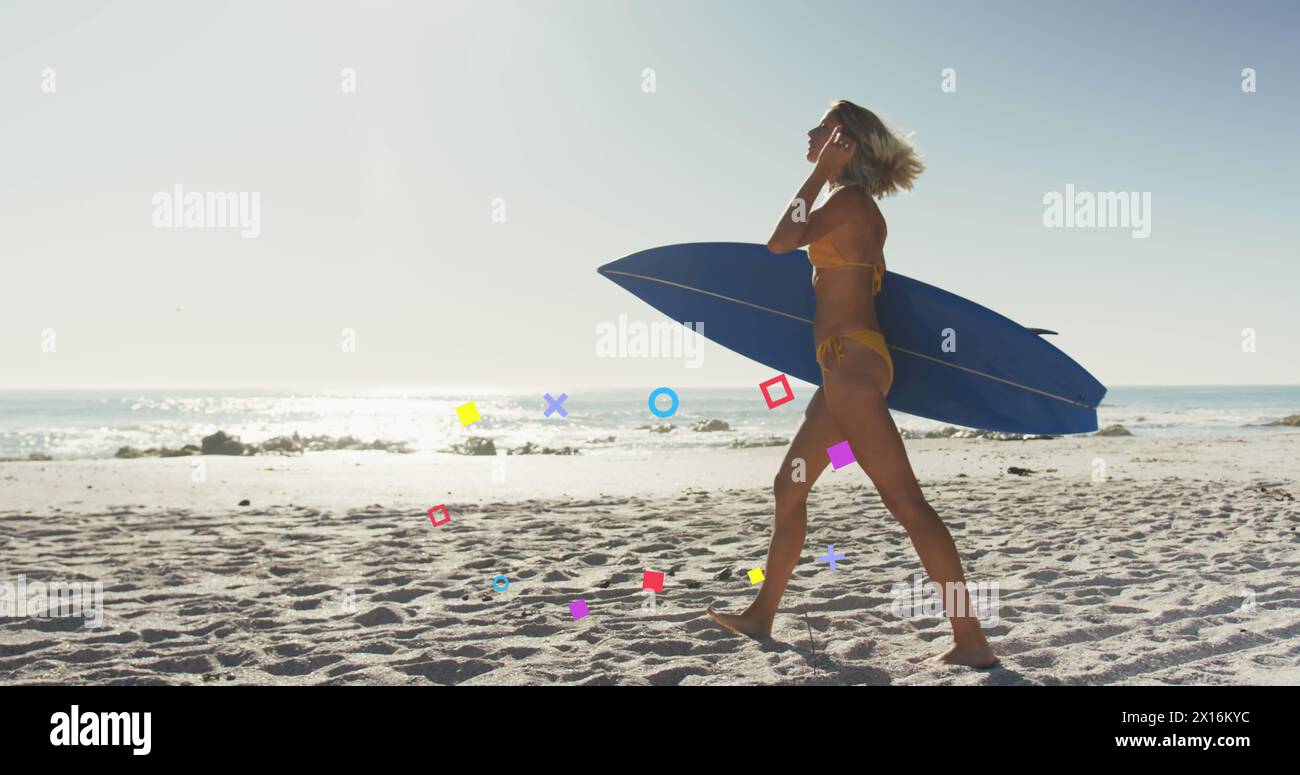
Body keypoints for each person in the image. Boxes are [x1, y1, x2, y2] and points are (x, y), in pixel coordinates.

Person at [707, 100, 997, 669]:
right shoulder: (852, 206)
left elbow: (779, 243)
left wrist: (816, 174)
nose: (809, 133)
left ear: (846, 143)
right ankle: (762, 613)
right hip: (847, 366)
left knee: (909, 505)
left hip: (853, 368)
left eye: (821, 128)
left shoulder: (850, 202)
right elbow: (794, 240)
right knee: (788, 485)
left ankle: (971, 639)